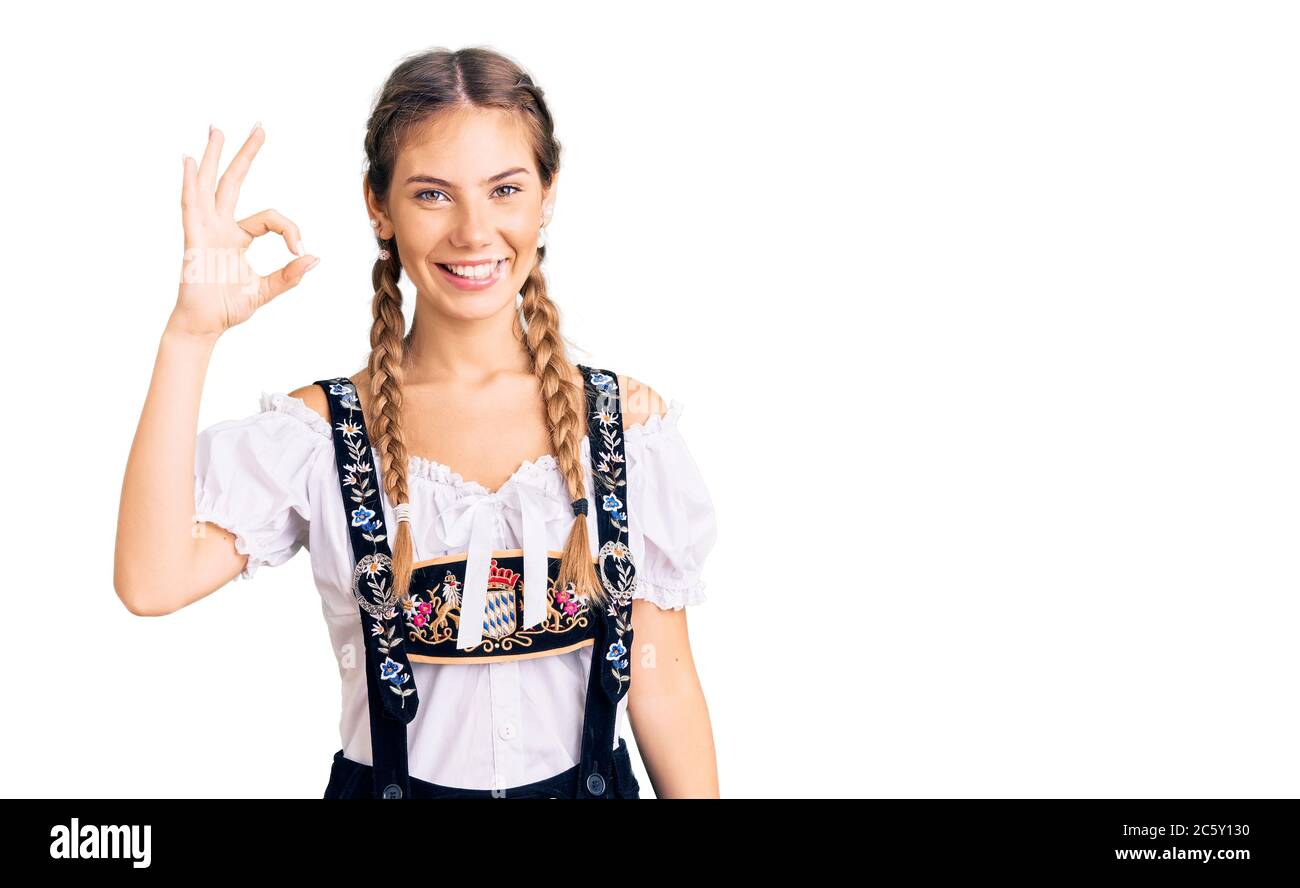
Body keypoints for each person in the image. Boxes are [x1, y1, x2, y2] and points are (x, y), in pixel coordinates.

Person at [114, 46, 720, 798]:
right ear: (379, 207)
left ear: (547, 196)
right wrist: (190, 335)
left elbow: (663, 688)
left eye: (504, 189)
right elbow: (151, 580)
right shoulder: (322, 437)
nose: (473, 232)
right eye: (433, 195)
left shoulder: (622, 428)